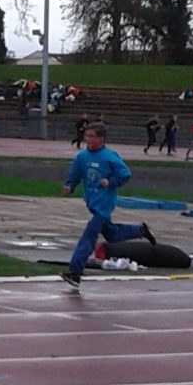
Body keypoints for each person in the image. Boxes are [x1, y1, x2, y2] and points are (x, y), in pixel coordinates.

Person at [60, 122, 157, 288]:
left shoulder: (109, 156)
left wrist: (110, 181)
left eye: (91, 136)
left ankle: (75, 272)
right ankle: (140, 231)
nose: (87, 139)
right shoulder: (81, 157)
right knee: (112, 235)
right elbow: (75, 174)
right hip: (92, 201)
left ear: (101, 138)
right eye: (86, 135)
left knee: (88, 237)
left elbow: (125, 174)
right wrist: (69, 186)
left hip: (104, 203)